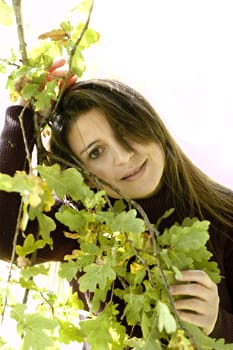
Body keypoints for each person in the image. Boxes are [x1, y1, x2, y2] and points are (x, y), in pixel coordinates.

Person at [0, 67, 233, 345]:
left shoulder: (224, 215)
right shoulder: (82, 231)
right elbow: (4, 233)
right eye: (96, 152)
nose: (124, 156)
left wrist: (218, 324)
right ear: (84, 175)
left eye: (126, 130)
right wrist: (24, 113)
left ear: (152, 126)